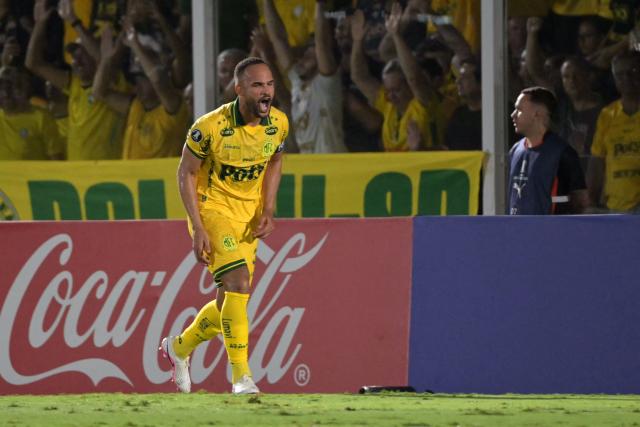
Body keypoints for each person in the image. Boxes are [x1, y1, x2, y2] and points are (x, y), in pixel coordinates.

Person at [160, 57, 288, 395]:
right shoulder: (210, 127)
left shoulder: (278, 124)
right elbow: (185, 172)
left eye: (270, 84)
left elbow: (275, 159)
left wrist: (269, 206)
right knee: (238, 282)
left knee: (228, 305)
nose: (266, 92)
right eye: (258, 85)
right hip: (212, 209)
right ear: (239, 89)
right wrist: (199, 227)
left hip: (248, 217)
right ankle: (241, 377)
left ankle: (179, 348)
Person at [263, 0, 346, 153]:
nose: (301, 60)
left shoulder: (327, 84)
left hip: (333, 166)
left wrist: (320, 5)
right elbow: (278, 39)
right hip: (309, 166)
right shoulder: (297, 84)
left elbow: (322, 43)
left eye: (308, 56)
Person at [508, 86, 588, 215]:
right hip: (517, 232)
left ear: (537, 114)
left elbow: (580, 202)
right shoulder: (515, 151)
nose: (513, 115)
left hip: (551, 233)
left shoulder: (563, 154)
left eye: (519, 110)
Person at [588, 50, 640, 213]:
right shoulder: (607, 115)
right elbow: (597, 161)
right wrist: (591, 202)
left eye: (632, 72)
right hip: (618, 207)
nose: (626, 79)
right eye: (620, 74)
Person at [0, 66, 64, 160]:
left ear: (23, 89)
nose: (6, 93)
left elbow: (56, 159)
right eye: (1, 89)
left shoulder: (41, 117)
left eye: (11, 88)